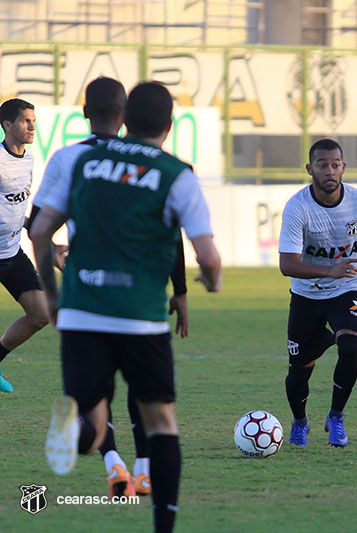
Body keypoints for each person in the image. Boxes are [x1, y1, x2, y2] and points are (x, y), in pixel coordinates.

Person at [31, 81, 222, 533]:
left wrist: (52, 294)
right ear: (170, 126)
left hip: (81, 310)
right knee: (160, 421)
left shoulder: (81, 161)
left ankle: (76, 424)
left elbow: (40, 231)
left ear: (125, 120)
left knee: (94, 421)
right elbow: (207, 256)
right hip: (140, 318)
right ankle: (163, 526)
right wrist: (210, 282)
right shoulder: (177, 174)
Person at [278, 137, 357, 447]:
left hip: (349, 288)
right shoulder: (297, 207)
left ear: (344, 167)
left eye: (335, 165)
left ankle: (336, 417)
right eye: (322, 165)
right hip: (306, 295)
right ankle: (300, 421)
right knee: (298, 373)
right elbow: (287, 264)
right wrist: (328, 270)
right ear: (310, 169)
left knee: (349, 347)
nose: (329, 171)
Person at [0, 98, 50, 393]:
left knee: (41, 314)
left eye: (33, 120)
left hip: (11, 253)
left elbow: (16, 206)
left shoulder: (28, 159)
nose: (32, 126)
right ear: (7, 126)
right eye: (25, 121)